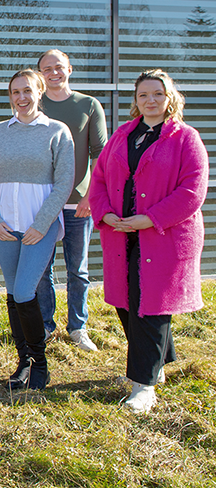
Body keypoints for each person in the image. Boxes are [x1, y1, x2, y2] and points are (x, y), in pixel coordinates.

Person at [88, 69, 208, 413]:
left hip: (164, 237)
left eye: (157, 94)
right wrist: (105, 212)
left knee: (150, 305)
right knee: (126, 302)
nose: (150, 100)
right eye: (143, 95)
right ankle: (159, 362)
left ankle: (144, 385)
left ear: (170, 98)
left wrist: (151, 218)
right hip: (121, 234)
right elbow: (98, 180)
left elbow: (192, 191)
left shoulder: (186, 138)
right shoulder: (123, 135)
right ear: (135, 101)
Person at [0, 69, 74, 391]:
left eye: (28, 91)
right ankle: (23, 363)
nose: (21, 98)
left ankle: (40, 363)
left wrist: (41, 224)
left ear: (40, 92)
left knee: (24, 292)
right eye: (15, 92)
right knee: (13, 294)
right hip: (5, 228)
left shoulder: (57, 132)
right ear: (10, 96)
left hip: (38, 228)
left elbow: (63, 184)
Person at [35, 49, 108, 351]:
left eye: (59, 67)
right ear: (39, 73)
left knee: (77, 269)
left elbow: (100, 156)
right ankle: (45, 326)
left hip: (78, 203)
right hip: (42, 202)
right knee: (42, 268)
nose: (53, 73)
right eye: (46, 68)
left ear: (70, 69)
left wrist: (91, 196)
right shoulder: (33, 104)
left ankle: (78, 327)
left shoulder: (88, 105)